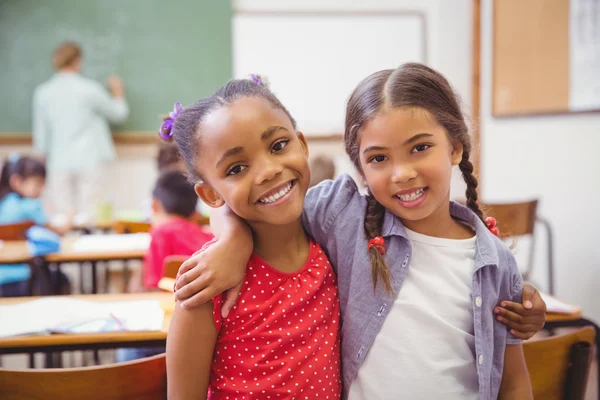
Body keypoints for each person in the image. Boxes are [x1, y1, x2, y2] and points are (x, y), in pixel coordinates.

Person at [173, 64, 547, 399]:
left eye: (420, 148)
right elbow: (249, 206)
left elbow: (512, 380)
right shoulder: (343, 217)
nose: (401, 173)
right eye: (379, 158)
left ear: (456, 147)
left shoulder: (494, 263)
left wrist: (523, 297)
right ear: (360, 169)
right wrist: (231, 242)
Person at [165, 77, 342, 398]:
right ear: (210, 194)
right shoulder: (207, 285)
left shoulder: (333, 244)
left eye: (278, 146)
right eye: (236, 168)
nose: (267, 171)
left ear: (301, 144)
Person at [32, 41, 129, 226]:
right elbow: (118, 114)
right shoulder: (89, 89)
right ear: (77, 61)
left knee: (62, 217)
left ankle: (65, 252)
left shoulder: (43, 92)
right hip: (89, 158)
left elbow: (41, 136)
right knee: (89, 216)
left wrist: (40, 160)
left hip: (58, 160)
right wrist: (118, 93)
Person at [129, 169, 213, 293]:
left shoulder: (160, 235)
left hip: (173, 305)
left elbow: (154, 287)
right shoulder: (209, 237)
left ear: (154, 206)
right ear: (195, 213)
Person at [0, 154, 68, 296]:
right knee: (61, 279)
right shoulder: (32, 206)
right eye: (37, 183)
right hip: (25, 275)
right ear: (16, 182)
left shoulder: (4, 203)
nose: (40, 189)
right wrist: (69, 220)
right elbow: (55, 231)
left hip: (5, 275)